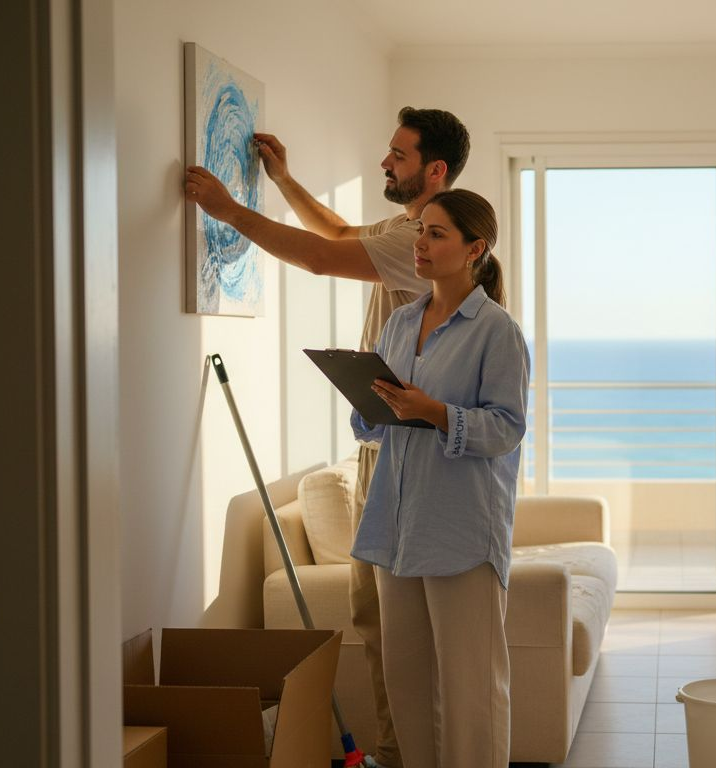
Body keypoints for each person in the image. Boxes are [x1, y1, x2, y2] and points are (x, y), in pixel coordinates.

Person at [184, 106, 472, 768]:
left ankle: (410, 756)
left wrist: (229, 210)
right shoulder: (404, 227)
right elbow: (336, 228)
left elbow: (319, 257)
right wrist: (282, 179)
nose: (383, 163)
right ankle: (400, 754)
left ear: (433, 170)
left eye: (397, 155)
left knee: (399, 629)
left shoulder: (423, 241)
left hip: (407, 458)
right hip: (381, 451)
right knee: (376, 621)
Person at [349, 189, 528, 768]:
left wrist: (430, 411)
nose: (420, 243)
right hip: (397, 529)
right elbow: (374, 427)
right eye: (421, 230)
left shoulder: (496, 332)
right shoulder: (401, 322)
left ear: (474, 249)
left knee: (471, 691)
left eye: (437, 234)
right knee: (407, 686)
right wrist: (369, 401)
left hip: (461, 532)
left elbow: (505, 429)